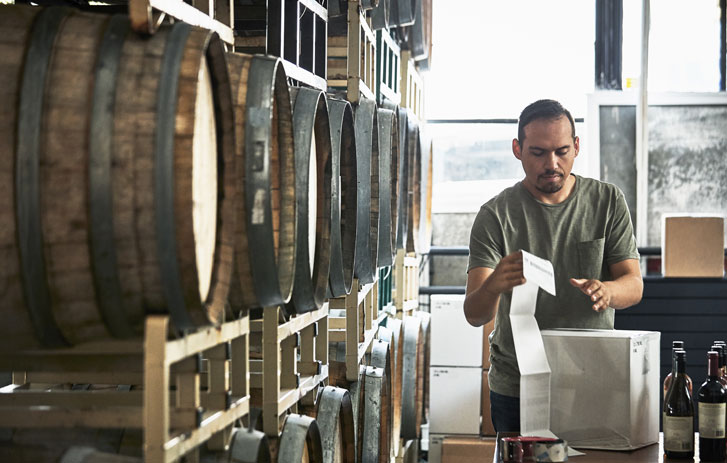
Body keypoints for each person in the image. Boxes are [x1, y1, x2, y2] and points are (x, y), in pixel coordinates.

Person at [464, 99, 643, 433]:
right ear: (518, 149)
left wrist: (608, 292)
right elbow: (475, 315)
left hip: (592, 376)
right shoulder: (495, 216)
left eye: (562, 151)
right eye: (538, 153)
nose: (552, 163)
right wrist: (494, 285)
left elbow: (633, 285)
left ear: (577, 147)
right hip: (518, 385)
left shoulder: (607, 201)